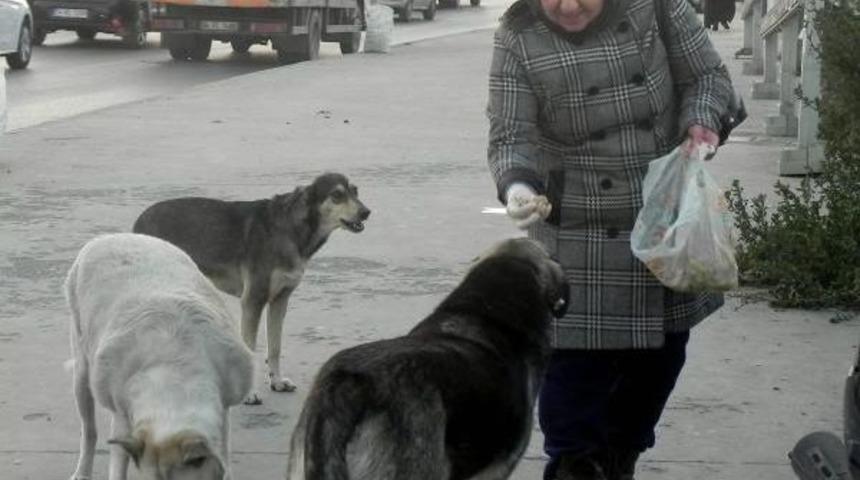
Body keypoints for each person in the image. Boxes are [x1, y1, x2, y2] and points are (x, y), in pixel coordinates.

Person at [485, 0, 736, 478]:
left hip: (662, 221)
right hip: (575, 231)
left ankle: (620, 459)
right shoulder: (517, 36)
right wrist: (518, 185)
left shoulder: (657, 9)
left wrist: (701, 121)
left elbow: (708, 77)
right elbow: (510, 134)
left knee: (658, 363)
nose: (569, 6)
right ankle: (575, 465)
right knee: (572, 384)